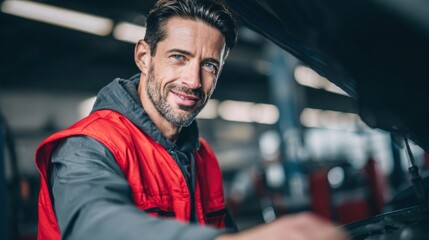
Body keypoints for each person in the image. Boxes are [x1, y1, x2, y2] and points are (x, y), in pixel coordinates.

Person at [35, 0, 349, 239]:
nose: (194, 81)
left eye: (210, 65)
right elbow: (94, 224)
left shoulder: (202, 156)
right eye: (179, 57)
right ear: (144, 57)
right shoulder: (88, 146)